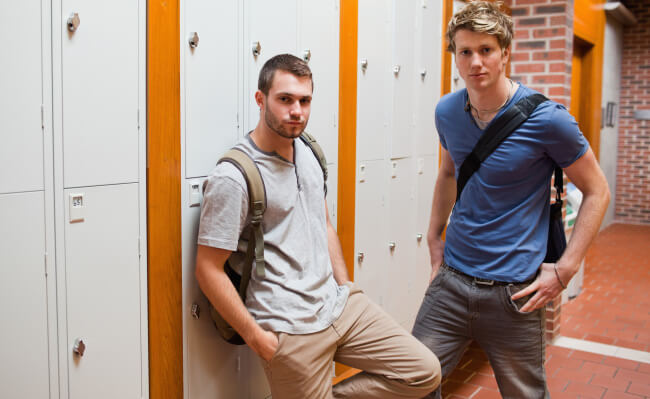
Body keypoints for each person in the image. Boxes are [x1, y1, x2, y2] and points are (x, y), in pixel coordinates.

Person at [195, 54, 440, 399]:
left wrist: (345, 286)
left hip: (340, 306)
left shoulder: (308, 150)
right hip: (289, 328)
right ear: (260, 99)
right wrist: (259, 339)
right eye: (285, 99)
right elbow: (208, 269)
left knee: (423, 372)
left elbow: (322, 222)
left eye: (304, 100)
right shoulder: (234, 177)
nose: (297, 111)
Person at [411, 2, 610, 398]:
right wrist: (434, 238)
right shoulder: (447, 111)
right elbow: (450, 172)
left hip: (514, 292)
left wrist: (565, 269)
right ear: (454, 56)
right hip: (451, 282)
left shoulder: (549, 121)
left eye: (486, 50)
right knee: (411, 381)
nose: (476, 62)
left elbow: (596, 190)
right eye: (465, 51)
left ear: (505, 52)